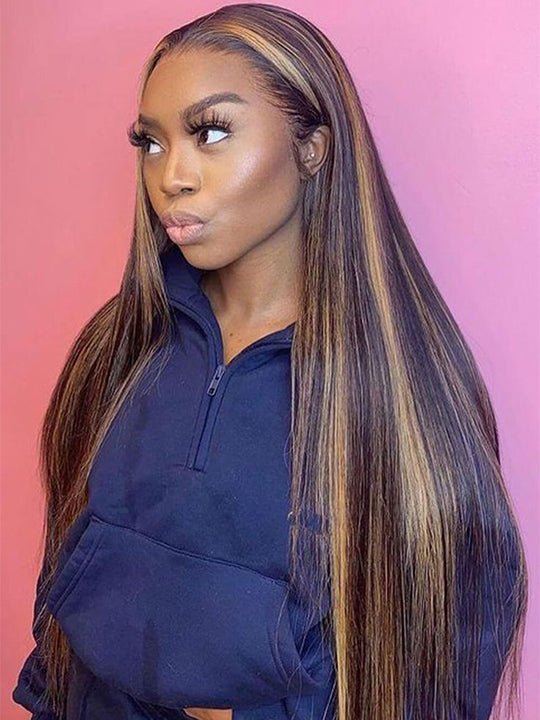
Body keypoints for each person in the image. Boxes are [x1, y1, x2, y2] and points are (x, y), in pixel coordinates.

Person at [12, 4, 528, 720]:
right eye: (151, 143)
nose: (171, 176)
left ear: (311, 149)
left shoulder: (398, 392)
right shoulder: (118, 346)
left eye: (211, 132)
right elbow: (64, 590)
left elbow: (448, 651)